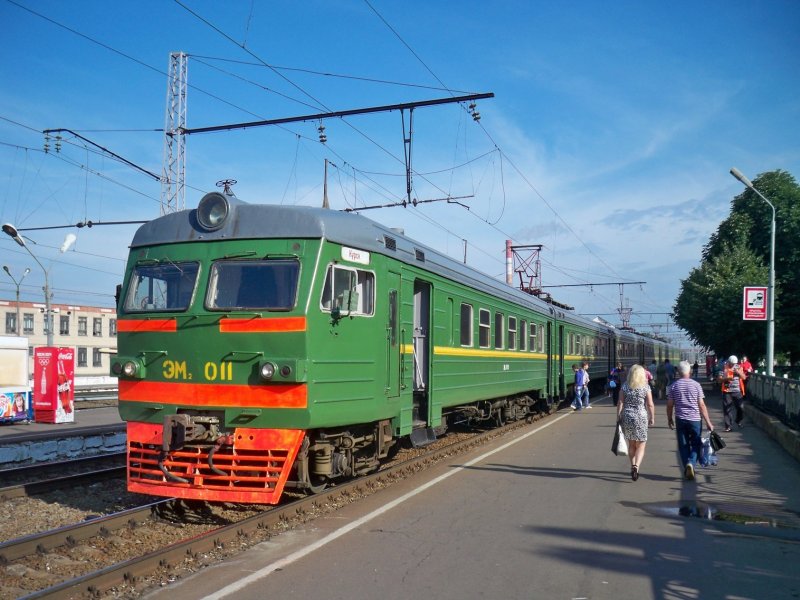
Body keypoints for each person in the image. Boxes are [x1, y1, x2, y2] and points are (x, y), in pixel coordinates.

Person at [667, 360, 714, 481]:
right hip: (695, 420)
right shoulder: (696, 385)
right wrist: (708, 422)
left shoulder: (674, 386)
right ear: (690, 371)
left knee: (683, 445)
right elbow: (702, 405)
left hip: (680, 419)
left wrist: (669, 418)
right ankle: (691, 463)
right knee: (696, 443)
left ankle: (687, 467)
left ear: (678, 372)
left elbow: (670, 404)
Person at [616, 364, 655, 481]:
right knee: (641, 445)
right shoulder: (645, 387)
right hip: (641, 417)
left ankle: (632, 465)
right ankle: (636, 467)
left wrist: (618, 416)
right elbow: (650, 404)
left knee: (631, 444)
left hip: (627, 416)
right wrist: (652, 417)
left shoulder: (625, 386)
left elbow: (620, 402)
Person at [719, 355, 745, 431]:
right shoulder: (723, 367)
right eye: (732, 363)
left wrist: (738, 373)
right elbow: (719, 379)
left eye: (734, 363)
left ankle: (738, 420)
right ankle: (728, 426)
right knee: (727, 409)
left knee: (741, 407)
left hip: (737, 391)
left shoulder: (738, 367)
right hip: (727, 391)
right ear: (729, 362)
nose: (733, 365)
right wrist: (727, 378)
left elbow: (744, 377)